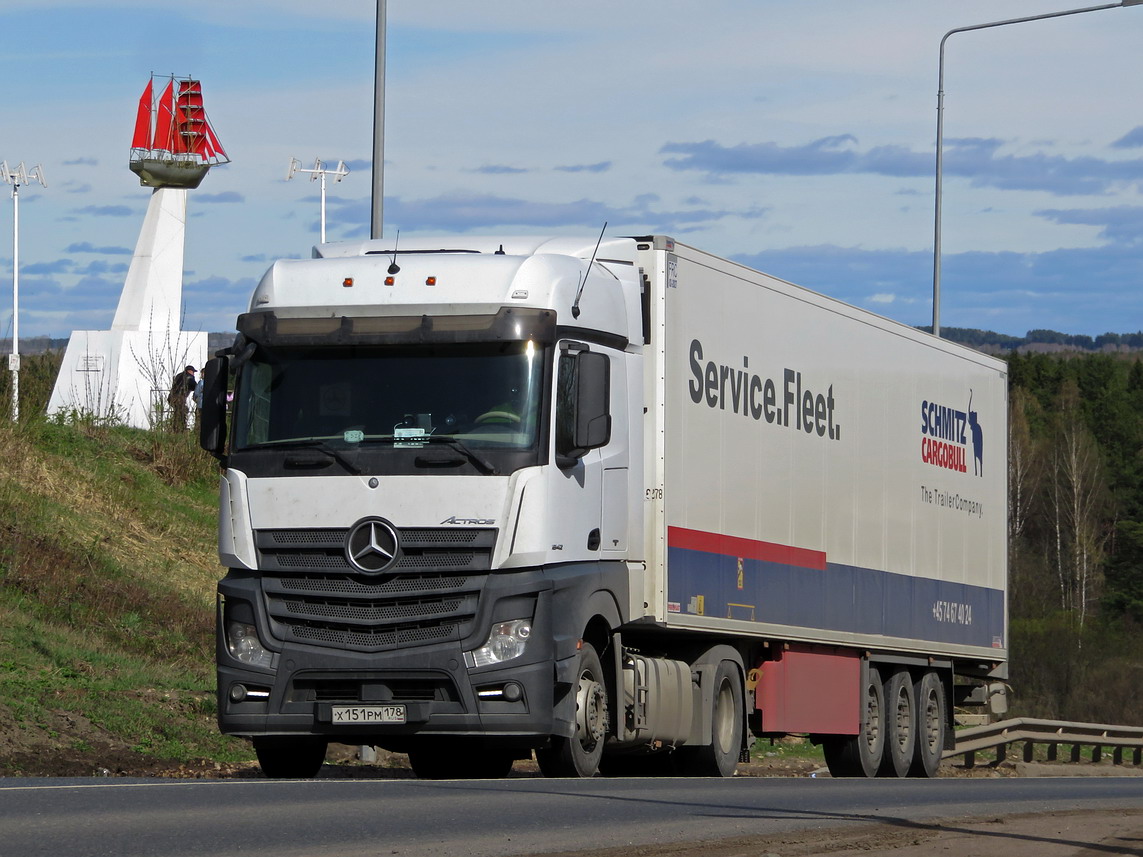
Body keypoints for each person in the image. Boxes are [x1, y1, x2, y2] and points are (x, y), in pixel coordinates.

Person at [167, 365, 197, 432]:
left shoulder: (179, 375)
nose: (193, 373)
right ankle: (180, 428)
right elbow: (194, 386)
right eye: (193, 372)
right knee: (182, 412)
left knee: (179, 412)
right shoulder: (189, 377)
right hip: (179, 398)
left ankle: (176, 428)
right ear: (189, 371)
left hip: (171, 397)